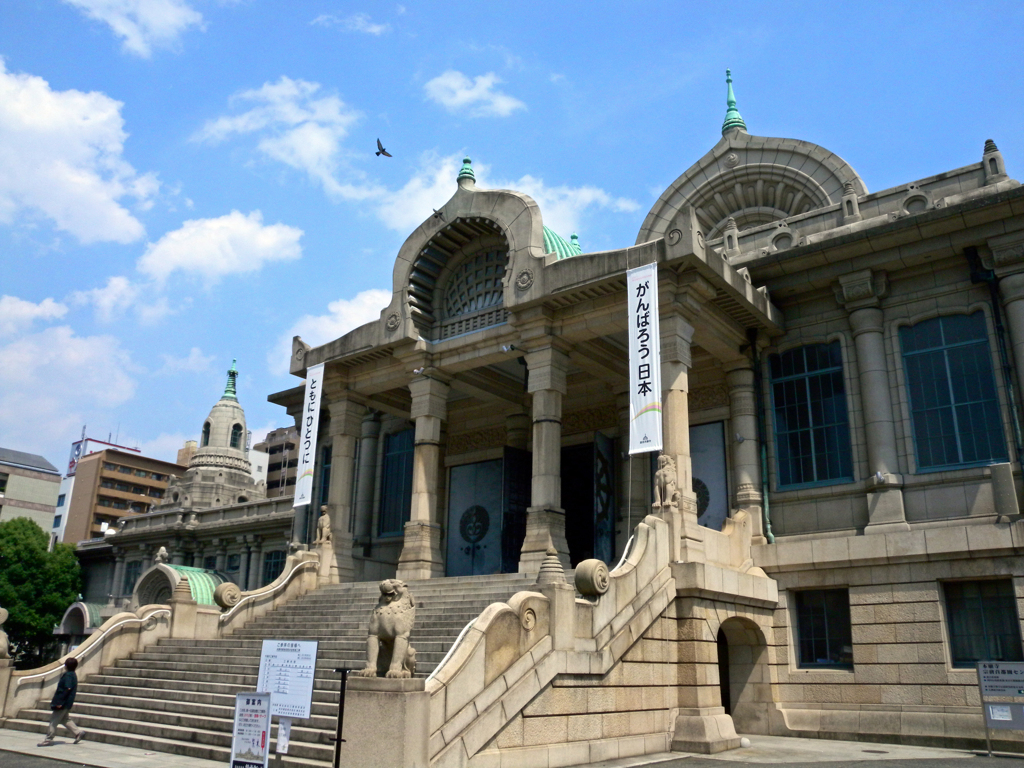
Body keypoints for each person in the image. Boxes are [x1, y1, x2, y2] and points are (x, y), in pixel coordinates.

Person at [37, 657, 84, 746]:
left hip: (63, 702)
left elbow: (67, 688)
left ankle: (48, 739)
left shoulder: (68, 675)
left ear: (66, 665)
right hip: (67, 702)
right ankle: (78, 733)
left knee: (54, 720)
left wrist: (60, 702)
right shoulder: (72, 674)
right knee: (65, 719)